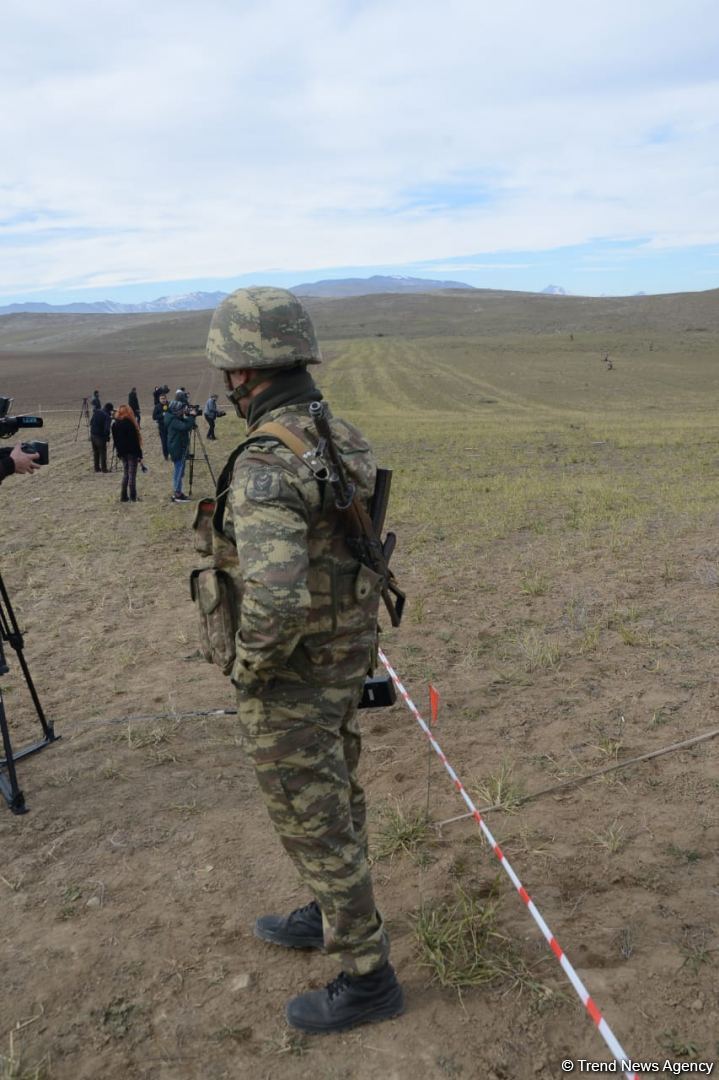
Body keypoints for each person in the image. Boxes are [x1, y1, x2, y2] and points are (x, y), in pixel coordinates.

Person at [197, 287, 403, 1034]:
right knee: (334, 799)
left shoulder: (263, 462)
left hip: (293, 675)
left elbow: (277, 600)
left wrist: (250, 671)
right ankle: (326, 911)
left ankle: (367, 976)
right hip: (341, 660)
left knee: (314, 817)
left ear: (244, 374)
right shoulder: (335, 432)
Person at [164, 399, 195, 502]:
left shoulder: (173, 417)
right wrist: (192, 416)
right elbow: (185, 427)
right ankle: (177, 494)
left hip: (177, 447)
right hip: (177, 448)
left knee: (179, 470)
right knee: (179, 470)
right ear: (176, 410)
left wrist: (188, 416)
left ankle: (178, 492)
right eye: (182, 409)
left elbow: (184, 423)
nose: (183, 411)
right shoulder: (173, 420)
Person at [112, 404, 143, 502]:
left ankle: (123, 496)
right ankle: (133, 497)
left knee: (126, 474)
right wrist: (139, 454)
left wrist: (119, 452)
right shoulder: (129, 424)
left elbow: (115, 441)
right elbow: (134, 441)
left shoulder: (115, 424)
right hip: (131, 453)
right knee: (131, 475)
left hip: (122, 453)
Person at [89, 401, 113, 472]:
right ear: (109, 410)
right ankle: (104, 469)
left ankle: (96, 468)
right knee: (103, 453)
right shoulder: (107, 416)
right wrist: (107, 437)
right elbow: (107, 429)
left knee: (96, 452)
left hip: (93, 435)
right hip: (100, 437)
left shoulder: (97, 412)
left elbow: (91, 422)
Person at [152, 394, 170, 459]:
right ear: (159, 399)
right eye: (161, 399)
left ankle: (172, 453)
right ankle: (166, 455)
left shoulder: (170, 405)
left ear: (166, 398)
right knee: (164, 442)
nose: (163, 400)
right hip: (162, 428)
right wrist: (162, 415)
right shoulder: (157, 406)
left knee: (171, 441)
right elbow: (154, 417)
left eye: (164, 398)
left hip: (170, 427)